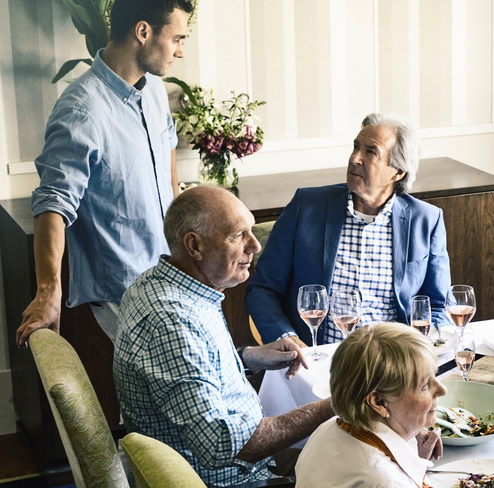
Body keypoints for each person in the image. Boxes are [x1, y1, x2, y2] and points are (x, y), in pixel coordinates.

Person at [114, 186, 336, 486]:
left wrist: (249, 356)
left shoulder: (161, 285)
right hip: (231, 480)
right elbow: (222, 444)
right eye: (238, 235)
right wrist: (335, 405)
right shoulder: (172, 320)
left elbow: (193, 365)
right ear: (194, 245)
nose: (255, 245)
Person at [17, 0, 193, 347]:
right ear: (143, 32)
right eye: (176, 39)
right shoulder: (80, 109)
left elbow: (168, 165)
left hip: (170, 273)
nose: (181, 51)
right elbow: (53, 202)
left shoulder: (155, 89)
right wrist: (47, 291)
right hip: (123, 290)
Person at [247, 112, 451, 350]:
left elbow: (438, 306)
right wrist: (284, 336)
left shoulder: (426, 220)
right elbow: (263, 288)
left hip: (394, 362)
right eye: (356, 147)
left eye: (370, 152)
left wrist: (423, 346)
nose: (355, 158)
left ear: (397, 172)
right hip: (317, 357)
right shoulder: (307, 206)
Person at [295, 323, 445, 487]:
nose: (442, 390)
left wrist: (413, 453)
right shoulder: (384, 480)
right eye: (424, 385)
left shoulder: (329, 427)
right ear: (378, 402)